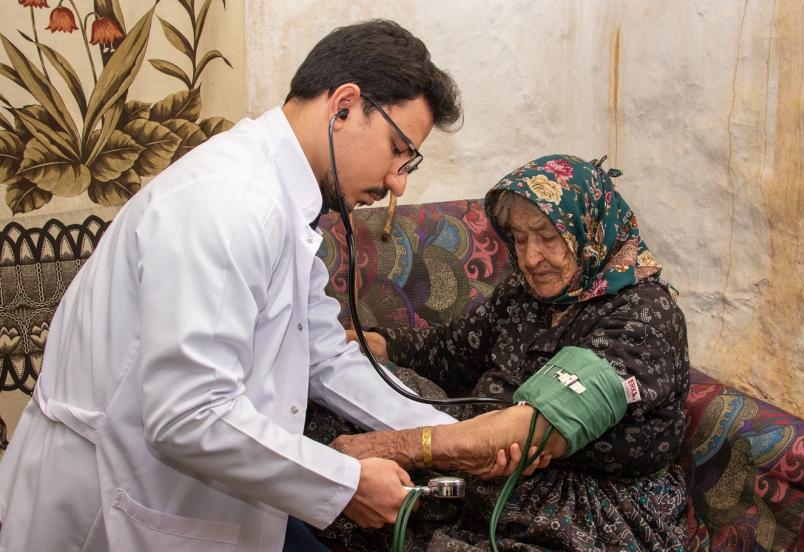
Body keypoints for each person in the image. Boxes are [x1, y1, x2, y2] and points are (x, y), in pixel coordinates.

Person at [0, 19, 515, 552]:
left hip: (207, 496)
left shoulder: (282, 198)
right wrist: (346, 484)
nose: (397, 182)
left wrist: (445, 437)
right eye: (397, 149)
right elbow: (188, 415)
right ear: (344, 106)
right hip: (112, 505)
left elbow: (324, 357)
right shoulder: (231, 202)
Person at [316, 154, 692, 551]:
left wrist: (398, 446)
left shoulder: (644, 316)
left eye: (547, 237)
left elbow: (538, 426)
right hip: (481, 467)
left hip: (584, 508)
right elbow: (450, 351)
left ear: (588, 231)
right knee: (332, 419)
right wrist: (375, 343)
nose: (530, 258)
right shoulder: (524, 295)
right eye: (520, 238)